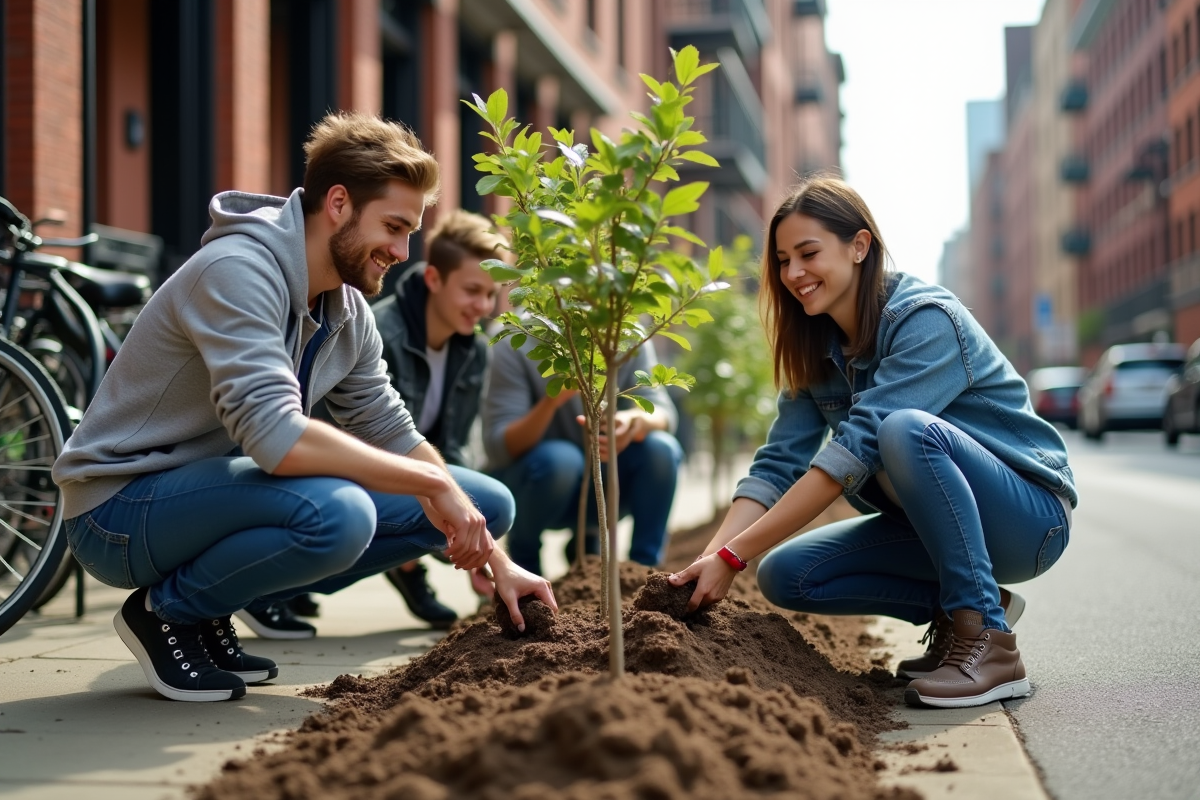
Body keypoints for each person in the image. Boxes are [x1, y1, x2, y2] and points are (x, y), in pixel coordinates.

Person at [51, 112, 555, 703]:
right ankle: (167, 613)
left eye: (410, 233)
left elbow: (389, 425)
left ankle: (211, 605)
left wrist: (497, 561)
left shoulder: (347, 309)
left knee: (485, 502)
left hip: (209, 494)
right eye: (393, 227)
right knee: (340, 515)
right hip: (117, 510)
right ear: (338, 203)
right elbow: (274, 437)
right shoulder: (238, 270)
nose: (402, 252)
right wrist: (429, 482)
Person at [667, 175, 1076, 709]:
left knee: (901, 430)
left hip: (1029, 518)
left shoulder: (925, 319)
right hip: (935, 525)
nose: (793, 273)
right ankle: (971, 603)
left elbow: (849, 458)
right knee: (787, 575)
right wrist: (710, 559)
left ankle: (988, 641)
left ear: (859, 246)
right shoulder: (815, 347)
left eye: (808, 253)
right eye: (783, 261)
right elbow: (777, 464)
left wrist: (733, 555)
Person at [371, 209, 505, 628]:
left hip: (424, 477)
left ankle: (405, 562)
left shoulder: (473, 349)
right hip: (365, 475)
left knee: (489, 504)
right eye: (472, 290)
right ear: (433, 279)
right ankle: (403, 565)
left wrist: (484, 548)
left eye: (491, 294)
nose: (483, 306)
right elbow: (370, 443)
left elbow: (456, 448)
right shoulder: (379, 333)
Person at [483, 335, 684, 577]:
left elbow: (664, 414)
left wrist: (633, 421)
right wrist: (551, 401)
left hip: (604, 487)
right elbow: (500, 446)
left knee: (662, 448)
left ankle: (643, 574)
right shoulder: (517, 338)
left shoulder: (628, 334)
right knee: (562, 460)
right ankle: (523, 564)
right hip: (535, 486)